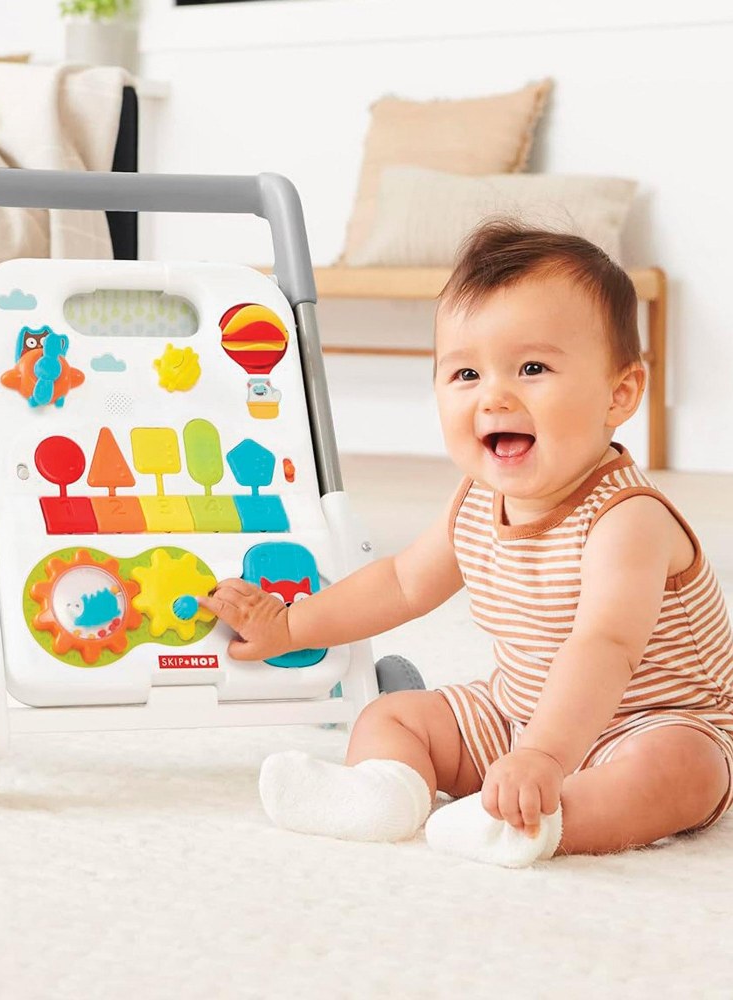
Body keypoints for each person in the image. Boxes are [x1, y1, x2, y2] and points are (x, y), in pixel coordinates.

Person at [198, 221, 733, 867]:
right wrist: (291, 626)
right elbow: (402, 583)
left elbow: (605, 647)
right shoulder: (478, 499)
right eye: (467, 373)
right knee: (394, 716)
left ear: (618, 395)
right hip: (516, 715)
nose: (494, 396)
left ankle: (543, 823)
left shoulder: (628, 519)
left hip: (648, 722)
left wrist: (545, 756)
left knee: (682, 771)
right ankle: (385, 792)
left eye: (532, 368)